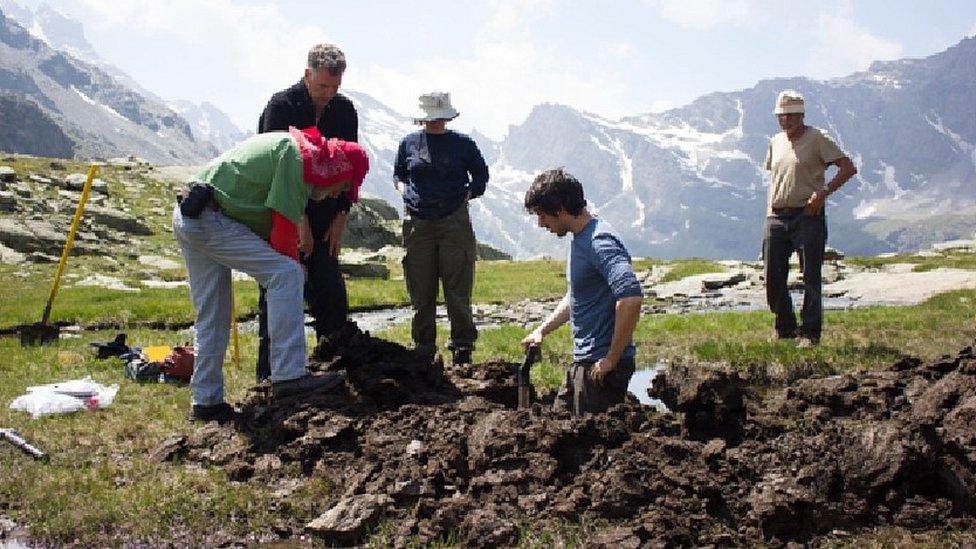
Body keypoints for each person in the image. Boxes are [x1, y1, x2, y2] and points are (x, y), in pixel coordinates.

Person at [173, 127, 368, 422]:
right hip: (209, 216)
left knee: (213, 313)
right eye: (343, 186)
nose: (337, 194)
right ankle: (289, 376)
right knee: (287, 274)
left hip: (193, 215)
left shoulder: (300, 153)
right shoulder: (296, 157)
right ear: (336, 169)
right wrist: (293, 268)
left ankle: (206, 401)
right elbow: (282, 230)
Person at [254, 43, 359, 381]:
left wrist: (340, 217)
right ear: (307, 75)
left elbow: (350, 168)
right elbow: (275, 171)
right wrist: (299, 222)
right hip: (283, 213)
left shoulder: (344, 110)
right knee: (280, 293)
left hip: (326, 213)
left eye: (334, 87)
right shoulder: (281, 106)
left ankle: (335, 370)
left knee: (331, 295)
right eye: (321, 87)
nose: (328, 94)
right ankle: (269, 378)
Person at [520, 168, 643, 416]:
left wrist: (611, 358)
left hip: (600, 367)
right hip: (584, 362)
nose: (541, 224)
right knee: (558, 427)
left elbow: (630, 298)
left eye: (543, 216)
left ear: (561, 210)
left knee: (590, 447)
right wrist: (542, 330)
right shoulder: (581, 238)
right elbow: (576, 295)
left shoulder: (599, 241)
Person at [393, 92, 489, 364]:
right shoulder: (408, 143)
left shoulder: (463, 144)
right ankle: (423, 348)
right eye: (430, 119)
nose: (435, 123)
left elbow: (481, 174)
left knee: (457, 287)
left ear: (447, 118)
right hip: (417, 222)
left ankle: (462, 348)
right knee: (420, 290)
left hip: (453, 222)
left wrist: (467, 196)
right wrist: (403, 192)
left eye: (439, 119)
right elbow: (399, 174)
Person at [763, 89, 857, 348]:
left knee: (810, 276)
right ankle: (785, 327)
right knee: (773, 276)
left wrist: (823, 193)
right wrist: (769, 215)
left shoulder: (817, 139)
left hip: (807, 215)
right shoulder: (775, 142)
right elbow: (774, 179)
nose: (786, 120)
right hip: (777, 215)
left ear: (801, 115)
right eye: (781, 116)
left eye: (791, 115)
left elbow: (848, 167)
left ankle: (810, 333)